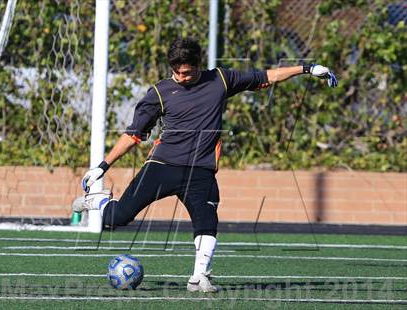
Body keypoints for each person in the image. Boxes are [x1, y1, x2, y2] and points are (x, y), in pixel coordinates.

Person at [74, 37, 337, 293]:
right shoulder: (159, 92)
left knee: (207, 222)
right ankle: (97, 200)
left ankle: (199, 277)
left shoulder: (220, 80)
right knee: (116, 218)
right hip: (162, 165)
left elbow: (265, 77)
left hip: (201, 170)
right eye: (175, 72)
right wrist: (102, 166)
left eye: (186, 72)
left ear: (199, 65)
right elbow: (133, 134)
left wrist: (307, 68)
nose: (180, 77)